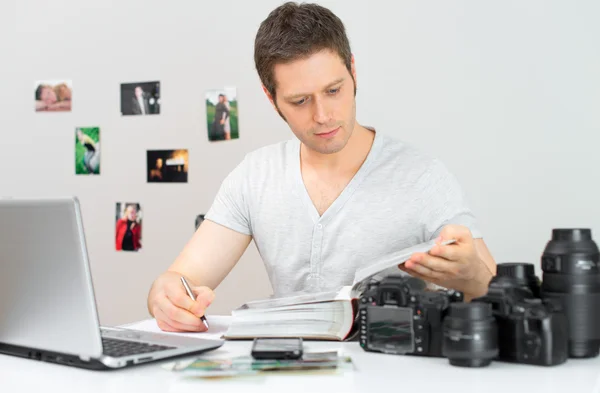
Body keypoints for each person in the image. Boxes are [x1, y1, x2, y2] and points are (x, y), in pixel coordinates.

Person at [147, 2, 497, 333]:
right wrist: (166, 297)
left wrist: (470, 279)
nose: (323, 115)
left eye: (334, 90)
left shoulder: (422, 177)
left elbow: (497, 294)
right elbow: (181, 278)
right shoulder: (255, 176)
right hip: (289, 368)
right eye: (300, 101)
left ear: (353, 71)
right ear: (272, 100)